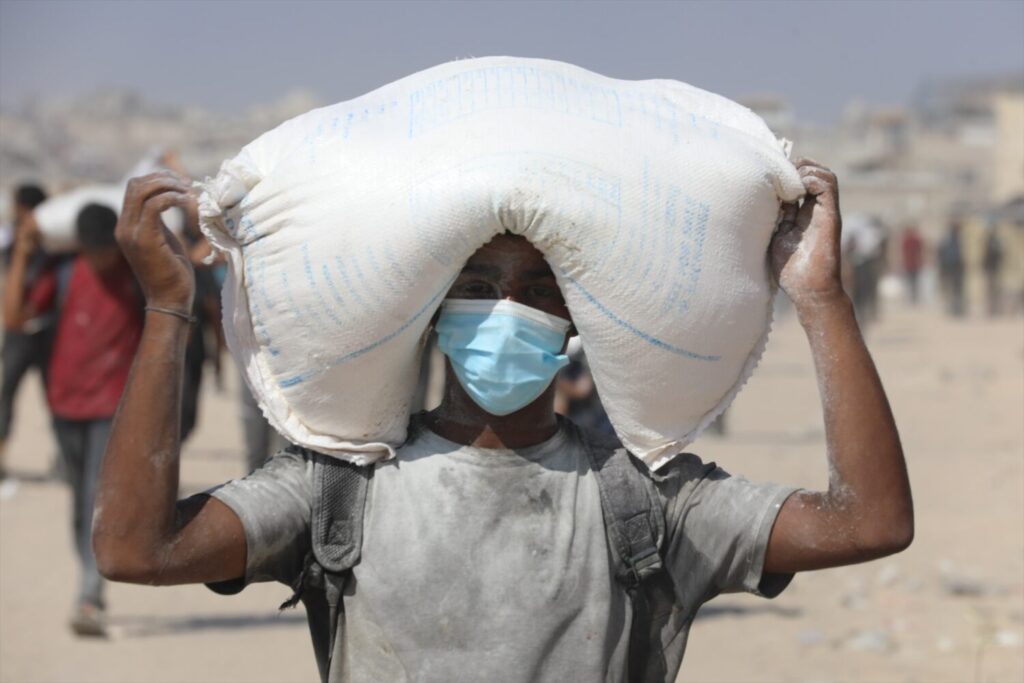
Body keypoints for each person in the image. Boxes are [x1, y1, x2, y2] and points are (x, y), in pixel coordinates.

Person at [93, 163, 913, 682]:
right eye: (479, 284)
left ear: (575, 317)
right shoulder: (338, 490)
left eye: (539, 289)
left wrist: (819, 296)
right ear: (433, 309)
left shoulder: (646, 500)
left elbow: (868, 522)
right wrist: (168, 307)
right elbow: (137, 549)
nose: (506, 309)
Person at [13, 204, 143, 636]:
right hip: (64, 403)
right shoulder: (64, 271)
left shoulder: (135, 271)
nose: (101, 260)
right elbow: (14, 317)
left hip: (113, 406)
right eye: (94, 251)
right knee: (76, 503)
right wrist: (22, 252)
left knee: (93, 498)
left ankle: (89, 596)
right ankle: (87, 583)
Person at [0, 184, 57, 479]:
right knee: (6, 396)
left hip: (46, 332)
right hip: (21, 335)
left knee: (56, 399)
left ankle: (65, 459)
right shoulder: (15, 244)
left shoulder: (53, 247)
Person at [938, 221, 966, 317]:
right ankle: (955, 308)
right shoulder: (953, 239)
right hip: (953, 266)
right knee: (954, 288)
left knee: (955, 288)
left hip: (954, 266)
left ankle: (956, 308)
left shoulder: (954, 239)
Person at [982, 224, 1004, 317]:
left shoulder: (995, 243)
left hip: (994, 269)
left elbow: (1000, 255)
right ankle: (991, 308)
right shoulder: (990, 243)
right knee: (991, 289)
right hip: (991, 269)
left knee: (994, 289)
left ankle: (994, 308)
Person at [900, 226, 924, 306]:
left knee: (912, 281)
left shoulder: (911, 240)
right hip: (911, 263)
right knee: (912, 281)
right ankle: (912, 297)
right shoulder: (912, 240)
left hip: (912, 263)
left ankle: (913, 297)